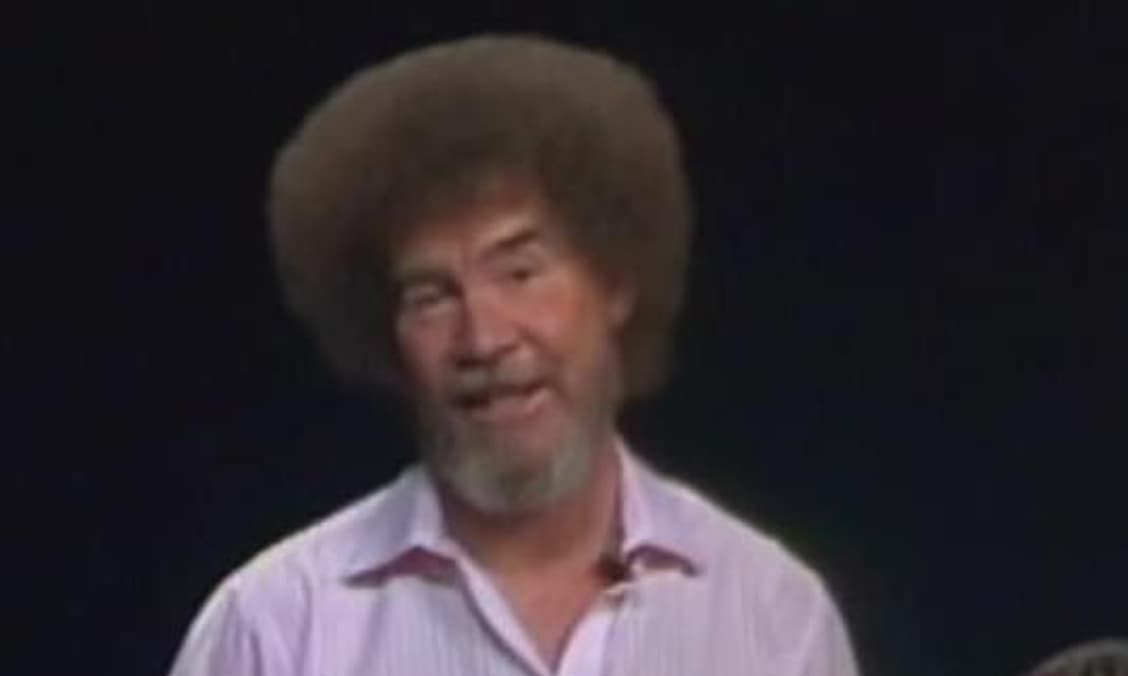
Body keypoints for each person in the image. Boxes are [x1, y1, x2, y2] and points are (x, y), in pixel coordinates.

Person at [168, 34, 859, 676]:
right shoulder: (277, 628)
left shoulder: (773, 614)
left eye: (520, 272)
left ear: (616, 283)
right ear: (387, 338)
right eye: (431, 296)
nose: (484, 338)